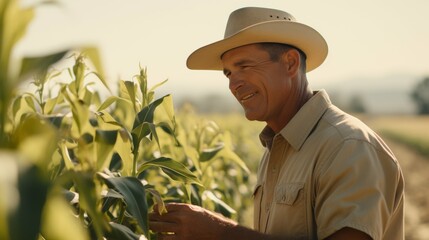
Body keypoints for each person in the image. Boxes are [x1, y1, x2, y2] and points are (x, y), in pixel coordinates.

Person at [149, 7, 404, 240]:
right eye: (228, 73)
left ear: (290, 63)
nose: (233, 84)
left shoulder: (347, 146)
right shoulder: (276, 150)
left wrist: (219, 232)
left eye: (244, 66)